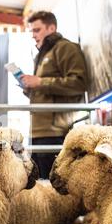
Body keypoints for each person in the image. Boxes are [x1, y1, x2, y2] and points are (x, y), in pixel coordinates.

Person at [21, 11, 88, 179]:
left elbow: (78, 83)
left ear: (51, 27)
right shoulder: (42, 55)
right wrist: (30, 88)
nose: (33, 35)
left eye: (37, 30)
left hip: (55, 132)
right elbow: (46, 88)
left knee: (55, 187)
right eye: (32, 31)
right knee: (39, 186)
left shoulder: (65, 48)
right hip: (38, 132)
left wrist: (40, 82)